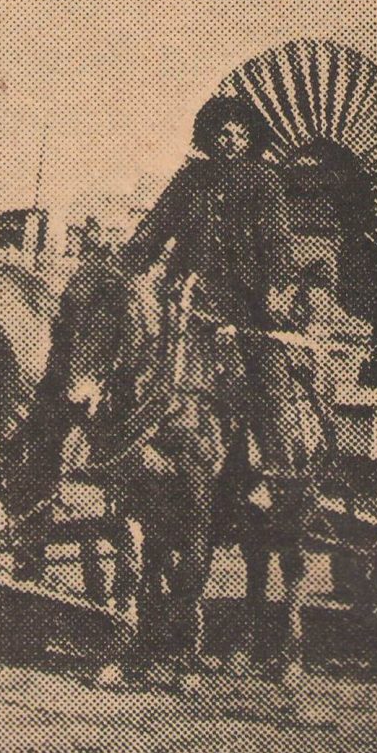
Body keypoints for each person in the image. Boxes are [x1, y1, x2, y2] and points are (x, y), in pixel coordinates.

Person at [119, 95, 303, 516]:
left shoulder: (264, 181)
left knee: (267, 377)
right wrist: (123, 268)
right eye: (222, 130)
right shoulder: (191, 180)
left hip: (246, 308)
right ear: (210, 136)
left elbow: (277, 244)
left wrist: (275, 288)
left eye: (239, 130)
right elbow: (155, 228)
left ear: (250, 137)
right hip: (187, 301)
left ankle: (274, 471)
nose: (230, 137)